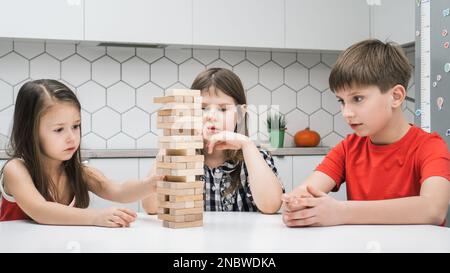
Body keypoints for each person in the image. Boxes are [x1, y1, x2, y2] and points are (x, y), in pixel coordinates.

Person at [282, 39, 450, 227]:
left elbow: (433, 209)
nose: (347, 113)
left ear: (396, 96)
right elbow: (306, 191)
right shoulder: (348, 148)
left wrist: (341, 212)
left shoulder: (430, 146)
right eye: (341, 101)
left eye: (357, 98)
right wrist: (296, 204)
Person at [0, 79, 163, 227]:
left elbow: (118, 189)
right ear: (30, 132)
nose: (71, 137)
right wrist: (95, 217)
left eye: (76, 126)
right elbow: (41, 210)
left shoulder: (79, 172)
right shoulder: (15, 169)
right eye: (59, 129)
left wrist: (148, 185)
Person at [142, 68, 284, 214]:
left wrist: (247, 145)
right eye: (202, 108)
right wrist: (172, 143)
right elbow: (151, 207)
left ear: (240, 114)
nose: (211, 116)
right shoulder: (179, 156)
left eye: (223, 109)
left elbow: (271, 206)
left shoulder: (255, 155)